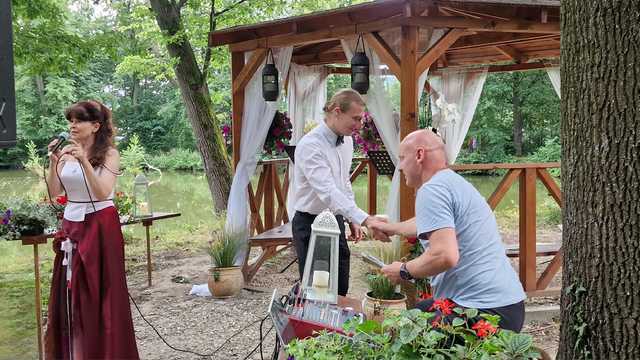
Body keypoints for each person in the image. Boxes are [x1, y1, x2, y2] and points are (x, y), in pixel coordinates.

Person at [373, 129, 526, 332]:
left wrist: (404, 271)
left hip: (484, 311)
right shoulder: (450, 182)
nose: (400, 167)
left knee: (408, 335)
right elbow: (427, 222)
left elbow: (445, 255)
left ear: (419, 155)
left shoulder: (432, 190)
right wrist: (390, 228)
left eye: (402, 158)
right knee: (419, 311)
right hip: (508, 306)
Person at [44, 100, 139, 359]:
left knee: (101, 289)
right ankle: (76, 351)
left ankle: (106, 351)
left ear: (95, 125)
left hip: (99, 223)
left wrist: (84, 161)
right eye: (70, 121)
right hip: (72, 223)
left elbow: (102, 191)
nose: (72, 126)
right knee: (71, 289)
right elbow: (55, 192)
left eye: (78, 121)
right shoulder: (67, 153)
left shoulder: (110, 153)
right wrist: (55, 162)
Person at [291, 88, 385, 297]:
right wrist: (365, 219)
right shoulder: (310, 145)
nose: (359, 125)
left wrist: (351, 219)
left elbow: (343, 183)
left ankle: (337, 329)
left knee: (341, 286)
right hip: (310, 223)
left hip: (336, 220)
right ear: (336, 111)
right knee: (318, 291)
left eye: (361, 119)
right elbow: (328, 192)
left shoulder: (348, 141)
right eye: (356, 118)